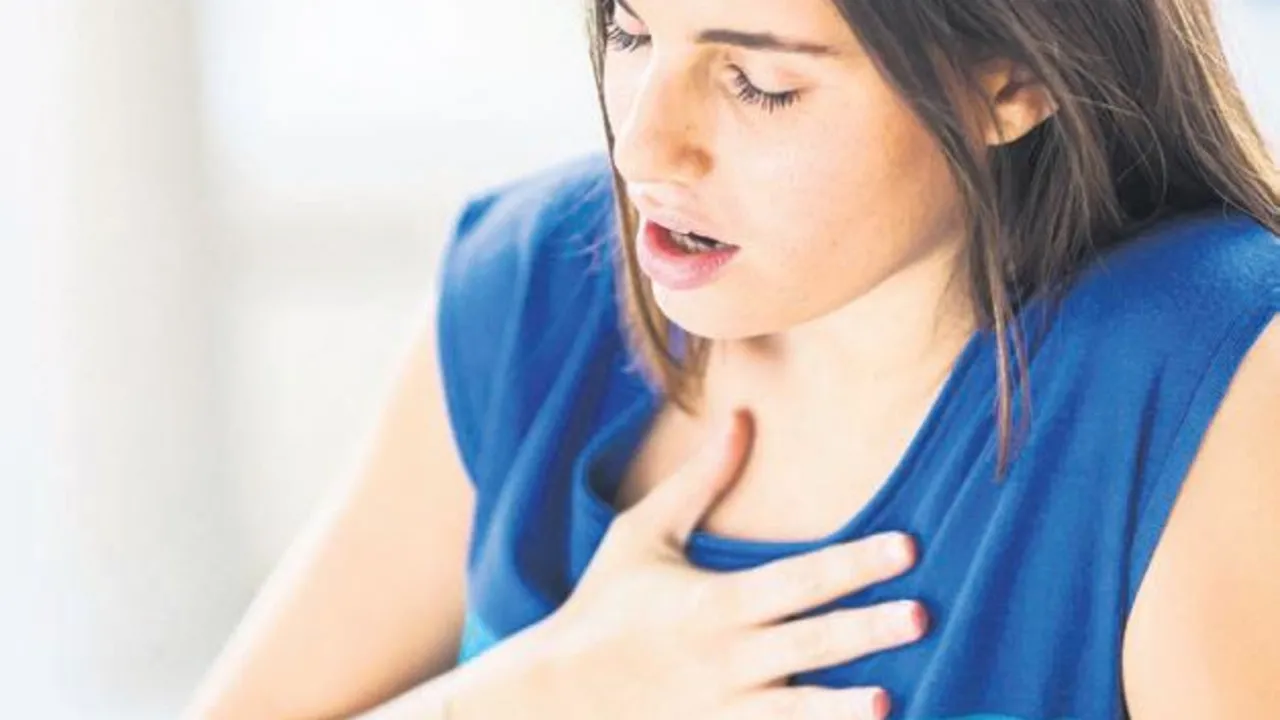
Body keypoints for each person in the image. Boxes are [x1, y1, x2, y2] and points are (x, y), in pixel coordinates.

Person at [186, 0, 1280, 717]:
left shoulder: (1209, 363)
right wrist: (538, 695)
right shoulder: (537, 282)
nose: (642, 147)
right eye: (629, 33)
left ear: (1012, 81)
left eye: (758, 82)